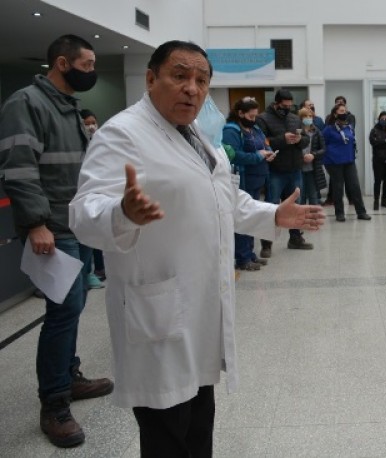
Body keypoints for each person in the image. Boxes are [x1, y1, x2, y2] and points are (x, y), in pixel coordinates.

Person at [69, 40, 325, 456]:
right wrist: (123, 213)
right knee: (167, 435)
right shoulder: (122, 134)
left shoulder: (195, 137)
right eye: (180, 76)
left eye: (201, 80)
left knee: (197, 424)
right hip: (159, 316)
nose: (192, 88)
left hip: (199, 312)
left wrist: (273, 215)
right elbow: (83, 213)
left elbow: (223, 198)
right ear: (151, 78)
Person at [0, 34, 113, 448]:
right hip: (53, 226)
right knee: (63, 313)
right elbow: (20, 167)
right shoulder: (26, 103)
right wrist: (35, 224)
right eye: (86, 65)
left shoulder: (68, 108)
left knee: (76, 304)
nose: (92, 72)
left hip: (77, 224)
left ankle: (69, 375)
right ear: (62, 63)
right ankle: (54, 403)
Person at [256, 89, 314, 250]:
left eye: (290, 105)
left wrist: (298, 140)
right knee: (271, 207)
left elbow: (305, 139)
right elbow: (262, 142)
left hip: (295, 169)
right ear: (276, 103)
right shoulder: (263, 119)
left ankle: (295, 238)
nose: (287, 108)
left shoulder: (295, 118)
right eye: (284, 106)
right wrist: (282, 140)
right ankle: (266, 244)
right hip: (275, 171)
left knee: (296, 205)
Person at [223, 97, 272, 271]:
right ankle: (242, 258)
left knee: (252, 218)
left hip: (258, 177)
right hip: (243, 179)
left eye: (255, 116)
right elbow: (234, 155)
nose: (253, 120)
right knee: (243, 217)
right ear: (240, 113)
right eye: (250, 117)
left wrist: (269, 152)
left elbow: (265, 143)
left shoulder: (255, 128)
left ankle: (250, 254)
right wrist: (258, 156)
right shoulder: (231, 131)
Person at [323, 103, 371, 222]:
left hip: (349, 161)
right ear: (335, 114)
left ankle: (361, 212)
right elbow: (322, 144)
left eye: (345, 111)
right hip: (334, 162)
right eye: (341, 111)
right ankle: (339, 213)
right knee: (338, 188)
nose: (344, 113)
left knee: (354, 186)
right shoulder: (328, 129)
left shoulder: (349, 127)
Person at [79, 108, 107, 289]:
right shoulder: (79, 143)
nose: (90, 126)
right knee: (87, 238)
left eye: (92, 122)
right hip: (83, 196)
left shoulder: (102, 139)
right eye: (86, 123)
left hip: (100, 194)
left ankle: (100, 269)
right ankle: (88, 273)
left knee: (98, 238)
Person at [298, 107, 326, 206]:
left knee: (313, 197)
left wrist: (313, 155)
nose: (308, 118)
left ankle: (313, 219)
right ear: (301, 118)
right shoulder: (297, 131)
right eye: (305, 116)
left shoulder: (316, 131)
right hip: (299, 169)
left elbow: (323, 149)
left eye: (310, 116)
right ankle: (300, 220)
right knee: (300, 197)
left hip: (313, 169)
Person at [368, 111, 386, 210]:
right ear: (379, 119)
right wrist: (385, 141)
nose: (384, 120)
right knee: (377, 180)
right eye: (382, 118)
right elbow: (373, 142)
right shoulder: (374, 130)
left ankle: (384, 200)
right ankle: (376, 201)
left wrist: (382, 143)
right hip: (377, 159)